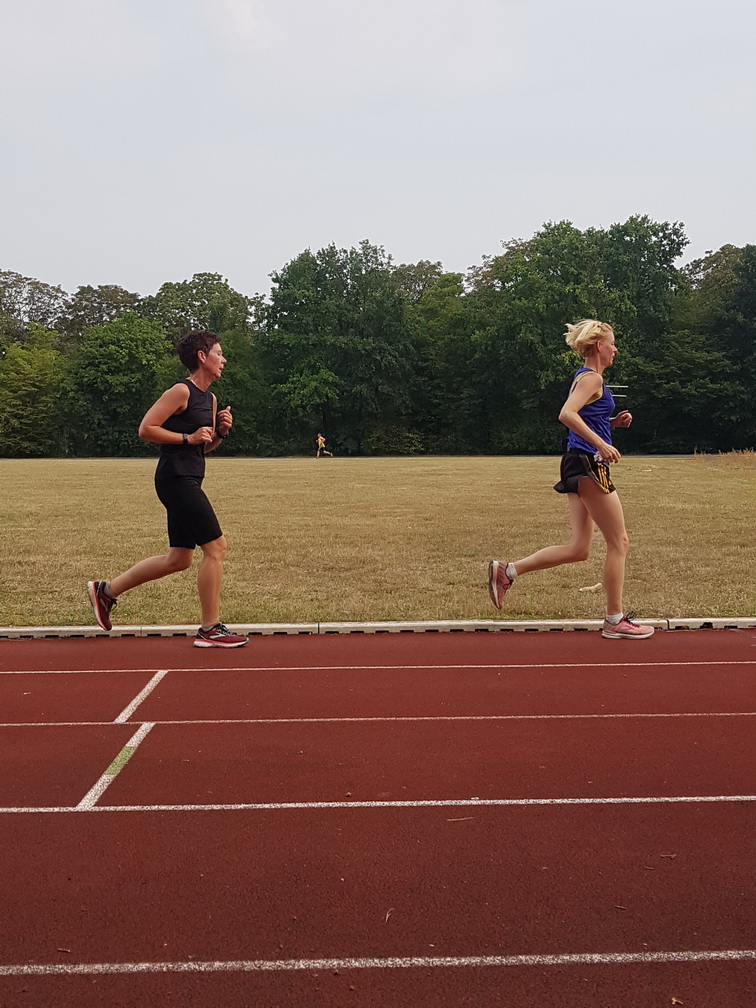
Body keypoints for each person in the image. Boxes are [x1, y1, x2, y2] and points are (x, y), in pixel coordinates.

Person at [488, 319, 654, 640]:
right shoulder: (592, 378)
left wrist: (612, 423)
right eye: (612, 343)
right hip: (588, 463)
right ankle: (615, 620)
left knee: (579, 548)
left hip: (577, 462)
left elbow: (584, 416)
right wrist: (602, 443)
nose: (616, 349)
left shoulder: (585, 378)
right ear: (599, 346)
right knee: (619, 542)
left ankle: (508, 571)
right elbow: (567, 414)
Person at [87, 330, 248, 648]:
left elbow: (202, 447)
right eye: (218, 353)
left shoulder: (210, 399)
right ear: (202, 356)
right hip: (175, 479)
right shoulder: (181, 391)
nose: (224, 359)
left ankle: (106, 591)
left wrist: (220, 433)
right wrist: (189, 437)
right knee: (216, 547)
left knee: (179, 559)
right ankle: (210, 629)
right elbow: (146, 429)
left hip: (190, 477)